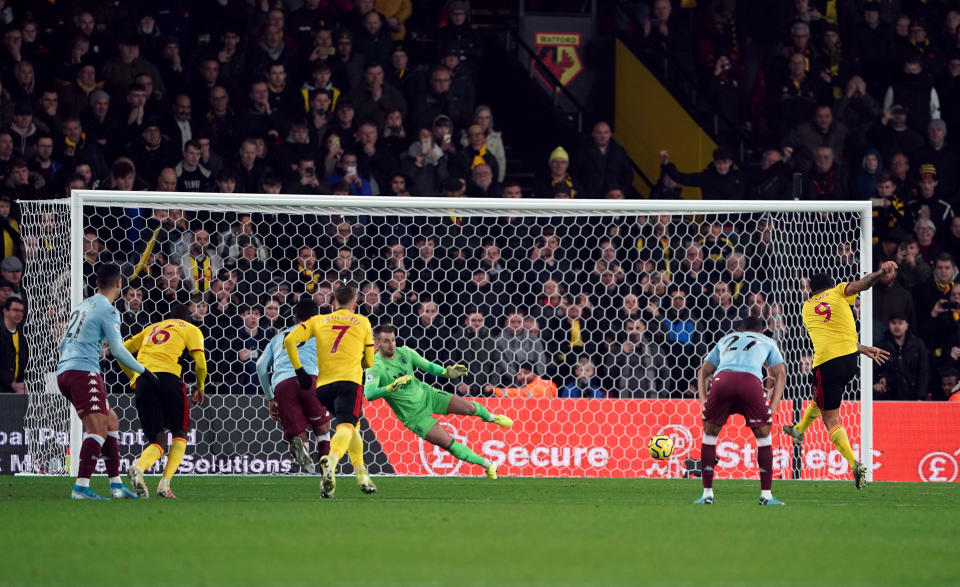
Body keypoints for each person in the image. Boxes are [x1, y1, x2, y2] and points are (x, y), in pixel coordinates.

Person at [782, 262, 897, 490]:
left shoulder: (806, 308)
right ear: (831, 285)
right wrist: (881, 273)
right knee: (823, 398)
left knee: (831, 419)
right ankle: (799, 430)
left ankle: (855, 464)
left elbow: (829, 334)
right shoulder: (839, 292)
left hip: (826, 363)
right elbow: (863, 284)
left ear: (811, 291)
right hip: (850, 362)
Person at [56, 263, 157, 500]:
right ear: (119, 284)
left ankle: (116, 485)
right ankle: (81, 487)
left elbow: (64, 342)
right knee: (97, 429)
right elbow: (118, 350)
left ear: (97, 283)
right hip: (83, 372)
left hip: (67, 370)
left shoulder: (83, 305)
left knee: (111, 422)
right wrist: (144, 371)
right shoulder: (109, 310)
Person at [364, 323, 511, 478]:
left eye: (393, 340)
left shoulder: (405, 352)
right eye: (386, 341)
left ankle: (491, 418)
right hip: (415, 417)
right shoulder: (375, 365)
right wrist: (390, 388)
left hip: (429, 396)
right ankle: (488, 465)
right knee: (448, 442)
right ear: (377, 342)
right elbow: (369, 393)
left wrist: (446, 373)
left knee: (469, 408)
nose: (391, 344)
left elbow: (428, 367)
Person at [283, 285, 374, 498]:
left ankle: (361, 474)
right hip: (349, 382)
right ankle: (330, 462)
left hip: (323, 388)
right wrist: (359, 360)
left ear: (333, 303)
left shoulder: (318, 320)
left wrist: (300, 371)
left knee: (353, 425)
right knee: (346, 426)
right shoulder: (362, 321)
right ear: (355, 303)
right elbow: (369, 360)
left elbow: (289, 340)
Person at [694, 317, 786, 506]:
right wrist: (773, 406)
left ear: (738, 330)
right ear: (762, 332)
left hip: (723, 382)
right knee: (763, 436)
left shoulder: (726, 339)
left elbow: (703, 371)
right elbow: (780, 374)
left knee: (710, 435)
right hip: (750, 383)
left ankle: (707, 494)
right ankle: (766, 496)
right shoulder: (768, 341)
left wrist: (704, 401)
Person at [121, 304, 207, 499]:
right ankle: (164, 483)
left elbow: (123, 350)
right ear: (188, 319)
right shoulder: (191, 329)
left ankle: (139, 467)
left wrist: (134, 377)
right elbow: (200, 364)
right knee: (180, 434)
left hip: (144, 380)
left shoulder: (151, 328)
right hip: (169, 379)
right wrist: (199, 387)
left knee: (157, 441)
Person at [256, 298, 333, 477]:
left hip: (282, 384)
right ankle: (326, 471)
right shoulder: (321, 333)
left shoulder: (278, 337)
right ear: (317, 317)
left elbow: (261, 366)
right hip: (309, 378)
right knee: (322, 427)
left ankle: (301, 449)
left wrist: (269, 398)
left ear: (296, 318)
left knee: (296, 432)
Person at [0, 297, 26, 393]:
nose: (19, 314)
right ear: (5, 311)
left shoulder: (23, 336)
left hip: (17, 390)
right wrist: (11, 382)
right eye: (15, 310)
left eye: (21, 311)